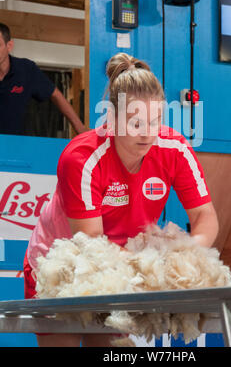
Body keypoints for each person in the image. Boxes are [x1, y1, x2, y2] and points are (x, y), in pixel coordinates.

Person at [23, 52, 219, 347]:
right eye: (135, 122)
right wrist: (154, 261)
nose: (147, 133)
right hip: (64, 262)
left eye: (155, 121)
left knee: (110, 348)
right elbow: (91, 246)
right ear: (112, 118)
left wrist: (182, 257)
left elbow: (205, 218)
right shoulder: (81, 158)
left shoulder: (175, 149)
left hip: (124, 264)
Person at [0, 23, 87, 136]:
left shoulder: (26, 70)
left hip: (18, 145)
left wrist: (80, 128)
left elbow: (55, 94)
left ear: (9, 46)